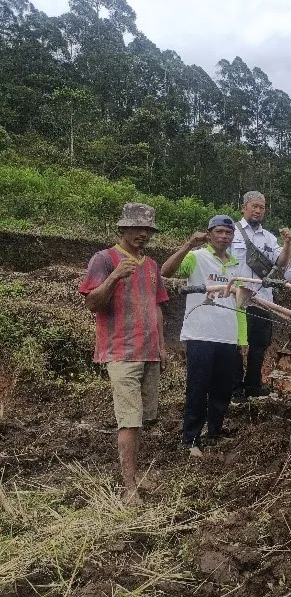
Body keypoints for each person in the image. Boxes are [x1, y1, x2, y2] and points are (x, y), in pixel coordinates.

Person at [78, 202, 168, 505]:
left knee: (143, 418)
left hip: (149, 351)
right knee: (129, 420)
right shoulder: (104, 259)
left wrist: (162, 347)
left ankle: (137, 475)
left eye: (147, 229)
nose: (142, 234)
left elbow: (156, 306)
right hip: (121, 351)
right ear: (123, 228)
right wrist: (115, 276)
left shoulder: (152, 265)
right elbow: (92, 304)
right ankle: (129, 486)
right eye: (136, 228)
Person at [161, 215, 250, 457]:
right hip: (200, 334)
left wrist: (243, 338)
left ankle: (215, 432)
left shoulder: (237, 266)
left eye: (228, 233)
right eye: (219, 232)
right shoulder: (196, 257)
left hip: (227, 336)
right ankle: (190, 439)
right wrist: (188, 245)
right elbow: (167, 272)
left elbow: (240, 304)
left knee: (222, 389)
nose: (224, 236)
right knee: (198, 388)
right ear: (209, 234)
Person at [230, 190, 291, 405]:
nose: (258, 210)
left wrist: (287, 244)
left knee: (259, 345)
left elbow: (281, 263)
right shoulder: (232, 233)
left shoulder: (269, 238)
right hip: (237, 299)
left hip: (263, 299)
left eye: (262, 207)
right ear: (244, 208)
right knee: (235, 344)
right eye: (254, 206)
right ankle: (235, 388)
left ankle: (253, 385)